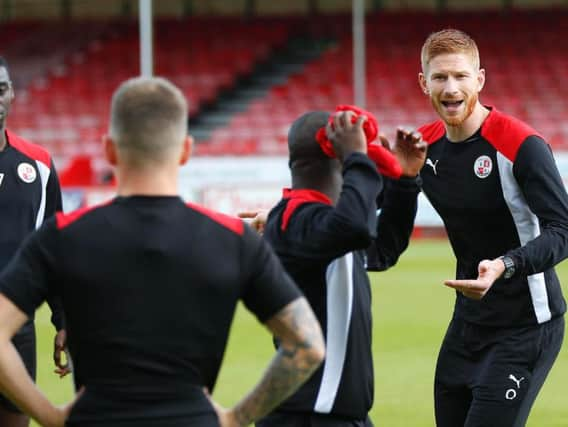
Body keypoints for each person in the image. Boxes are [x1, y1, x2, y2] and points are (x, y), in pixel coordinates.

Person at [0, 76, 326, 427]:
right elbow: (308, 344)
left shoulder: (62, 237)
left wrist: (50, 416)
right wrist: (235, 418)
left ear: (110, 150)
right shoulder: (231, 239)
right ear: (186, 150)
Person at [417, 29, 568, 426]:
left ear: (479, 80)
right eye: (440, 77)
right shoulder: (423, 148)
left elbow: (563, 229)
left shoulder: (521, 145)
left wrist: (505, 265)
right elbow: (372, 214)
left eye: (461, 76)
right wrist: (286, 219)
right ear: (424, 83)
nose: (451, 88)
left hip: (527, 326)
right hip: (468, 323)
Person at [253, 109, 426, 426]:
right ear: (336, 155)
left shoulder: (322, 222)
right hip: (308, 415)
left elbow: (383, 248)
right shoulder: (295, 218)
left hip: (335, 414)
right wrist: (357, 157)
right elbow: (357, 227)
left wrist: (404, 181)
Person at [0, 56, 68, 427]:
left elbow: (52, 246)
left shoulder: (38, 165)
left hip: (16, 326)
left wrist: (63, 317)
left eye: (1, 89)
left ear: (11, 95)